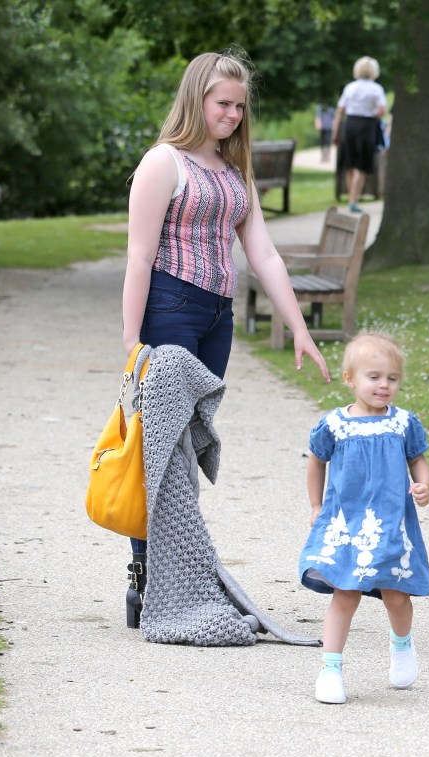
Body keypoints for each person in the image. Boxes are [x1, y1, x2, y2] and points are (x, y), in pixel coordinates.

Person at [121, 50, 331, 629]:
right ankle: (144, 576)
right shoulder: (164, 163)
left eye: (240, 106)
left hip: (217, 316)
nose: (234, 115)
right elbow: (139, 256)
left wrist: (299, 328)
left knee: (188, 444)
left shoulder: (234, 171)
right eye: (223, 104)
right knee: (160, 448)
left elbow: (261, 251)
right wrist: (131, 343)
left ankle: (173, 572)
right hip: (169, 308)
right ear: (197, 99)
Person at [299, 332, 429, 704]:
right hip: (346, 522)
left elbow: (417, 459)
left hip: (390, 524)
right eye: (374, 377)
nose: (384, 385)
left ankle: (402, 645)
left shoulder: (403, 423)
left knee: (396, 595)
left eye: (392, 378)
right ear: (350, 379)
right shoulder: (335, 425)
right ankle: (330, 667)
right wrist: (315, 506)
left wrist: (423, 485)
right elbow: (316, 461)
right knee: (345, 594)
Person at [333, 56, 387, 214]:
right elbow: (381, 110)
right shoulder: (376, 89)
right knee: (361, 166)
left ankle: (352, 198)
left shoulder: (350, 87)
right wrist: (373, 115)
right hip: (367, 126)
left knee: (350, 164)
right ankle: (353, 200)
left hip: (350, 125)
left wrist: (336, 132)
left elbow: (340, 111)